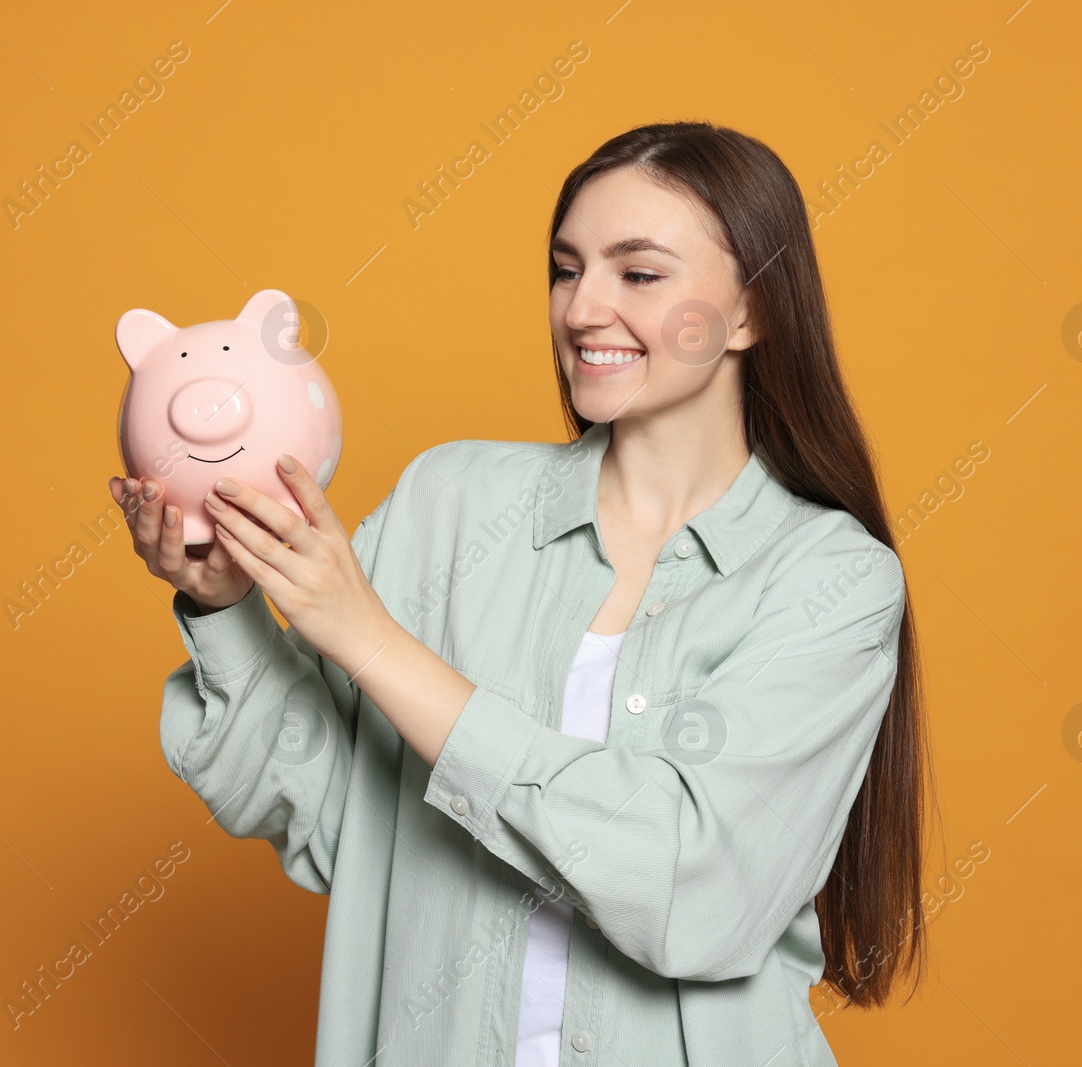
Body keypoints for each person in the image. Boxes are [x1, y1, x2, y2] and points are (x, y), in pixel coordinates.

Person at [111, 121, 931, 1067]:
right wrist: (226, 606)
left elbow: (695, 894)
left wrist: (372, 641)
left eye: (639, 273)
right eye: (565, 269)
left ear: (750, 310)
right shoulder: (448, 504)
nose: (584, 309)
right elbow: (342, 824)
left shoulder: (831, 579)